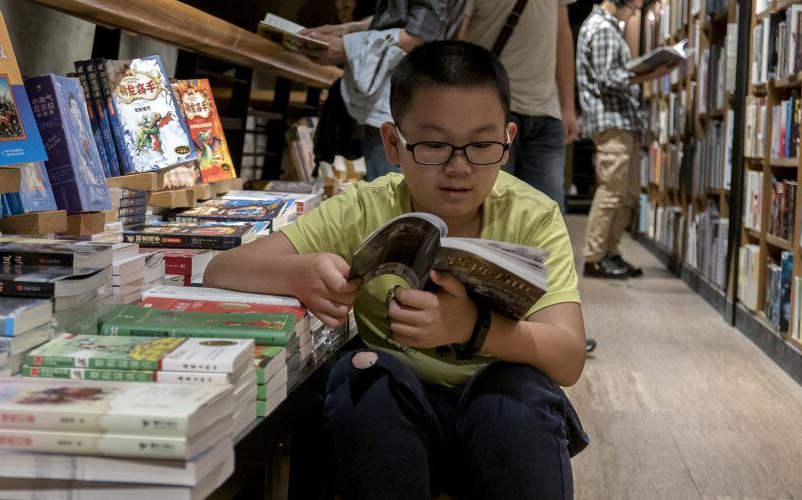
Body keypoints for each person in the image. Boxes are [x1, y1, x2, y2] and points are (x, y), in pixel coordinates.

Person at [205, 40, 588, 498]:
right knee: (363, 381)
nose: (459, 167)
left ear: (507, 143)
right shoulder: (368, 207)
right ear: (392, 143)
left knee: (520, 400)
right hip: (396, 413)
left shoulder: (533, 216)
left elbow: (568, 357)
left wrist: (471, 328)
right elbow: (222, 269)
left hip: (496, 415)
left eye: (481, 145)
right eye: (433, 145)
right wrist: (298, 273)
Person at [298, 1, 453, 181]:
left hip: (401, 101)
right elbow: (396, 18)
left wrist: (347, 47)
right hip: (391, 102)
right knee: (385, 191)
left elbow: (421, 37)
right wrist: (346, 30)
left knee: (392, 196)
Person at [458, 0, 577, 212]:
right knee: (489, 216)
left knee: (546, 218)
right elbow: (456, 40)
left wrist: (568, 106)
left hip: (546, 116)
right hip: (491, 112)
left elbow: (563, 34)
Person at [577, 0, 667, 278]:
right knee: (611, 191)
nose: (634, 13)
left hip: (621, 121)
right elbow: (607, 78)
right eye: (633, 7)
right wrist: (650, 74)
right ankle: (594, 257)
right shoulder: (602, 28)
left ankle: (610, 252)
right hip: (610, 120)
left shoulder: (609, 28)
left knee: (626, 193)